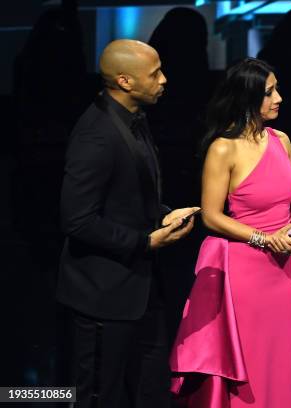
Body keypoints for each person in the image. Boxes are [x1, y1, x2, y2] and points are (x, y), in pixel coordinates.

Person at [169, 58, 291, 407]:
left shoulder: (282, 140)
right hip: (244, 272)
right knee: (249, 364)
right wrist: (262, 238)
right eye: (269, 92)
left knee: (279, 361)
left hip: (283, 269)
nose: (279, 98)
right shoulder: (223, 148)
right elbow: (211, 216)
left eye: (277, 89)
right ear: (246, 98)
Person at [57, 39, 199, 407]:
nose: (165, 80)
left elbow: (129, 197)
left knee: (151, 389)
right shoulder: (96, 134)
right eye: (155, 74)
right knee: (98, 395)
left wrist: (163, 213)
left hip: (141, 288)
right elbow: (78, 220)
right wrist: (145, 242)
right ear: (124, 80)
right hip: (103, 295)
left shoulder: (134, 120)